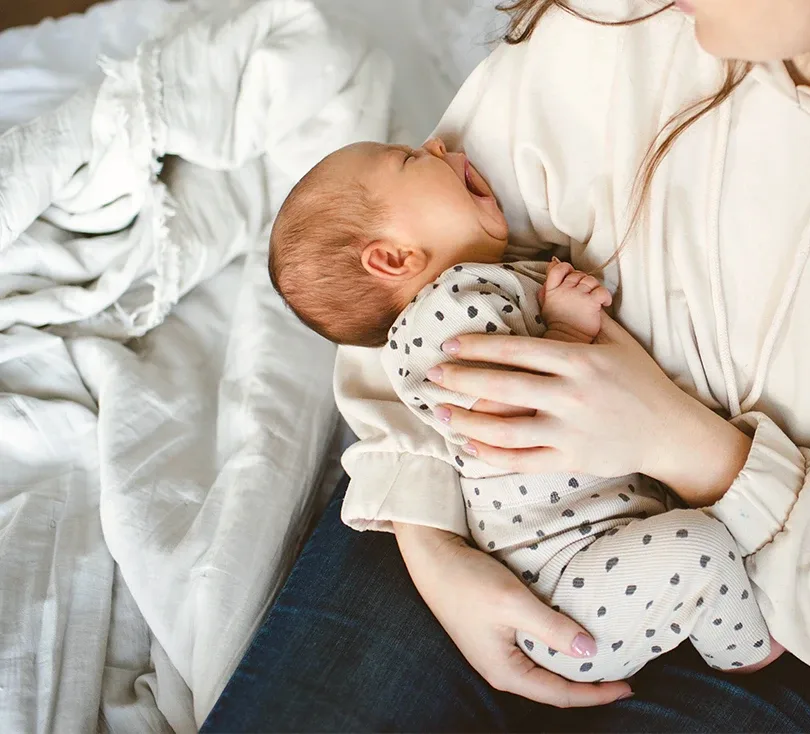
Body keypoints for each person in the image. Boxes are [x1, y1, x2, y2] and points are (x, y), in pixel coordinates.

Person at [203, 0, 810, 730]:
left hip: (775, 626)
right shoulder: (619, 22)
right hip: (466, 506)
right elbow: (415, 306)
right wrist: (432, 545)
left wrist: (690, 446)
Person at [264, 139, 781, 682]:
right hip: (566, 583)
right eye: (411, 160)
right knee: (700, 550)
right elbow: (508, 412)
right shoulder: (446, 307)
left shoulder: (470, 292)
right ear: (393, 257)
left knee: (717, 531)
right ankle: (747, 651)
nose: (437, 144)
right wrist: (565, 328)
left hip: (591, 558)